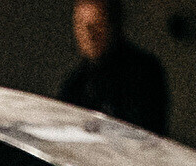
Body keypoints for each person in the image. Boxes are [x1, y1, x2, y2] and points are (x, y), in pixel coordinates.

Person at [59, 0, 169, 132]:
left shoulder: (144, 72)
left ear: (113, 26)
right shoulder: (77, 81)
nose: (89, 35)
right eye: (81, 25)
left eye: (97, 25)